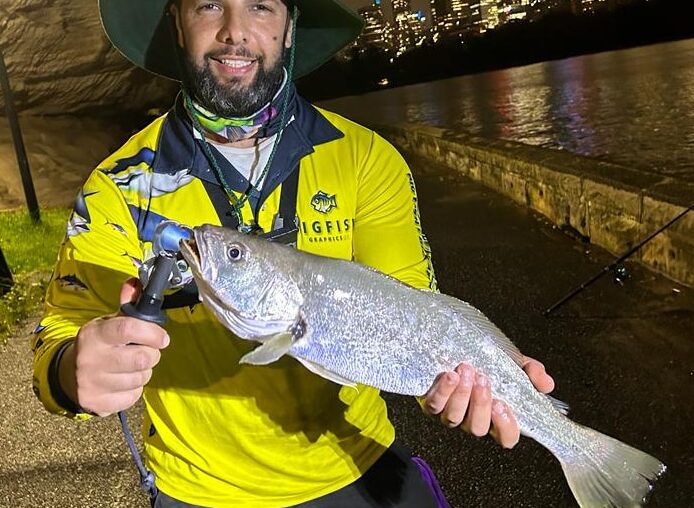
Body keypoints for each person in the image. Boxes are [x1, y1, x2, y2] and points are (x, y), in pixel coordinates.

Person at [31, 0, 555, 506]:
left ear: (290, 24)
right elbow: (56, 336)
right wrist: (73, 368)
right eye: (209, 5)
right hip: (204, 492)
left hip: (362, 466)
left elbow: (413, 312)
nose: (234, 31)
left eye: (261, 6)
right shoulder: (118, 188)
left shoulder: (366, 159)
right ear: (176, 22)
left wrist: (458, 384)